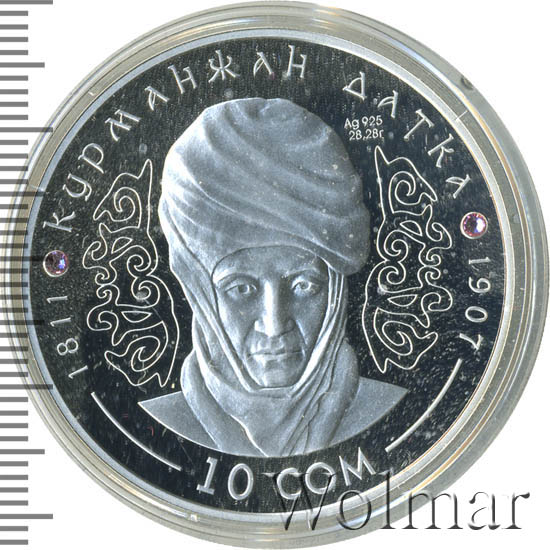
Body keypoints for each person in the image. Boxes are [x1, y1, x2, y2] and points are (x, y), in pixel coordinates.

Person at [139, 98, 406, 457]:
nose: (274, 325)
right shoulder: (154, 423)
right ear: (199, 292)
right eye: (241, 289)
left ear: (335, 291)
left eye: (304, 286)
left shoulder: (390, 409)